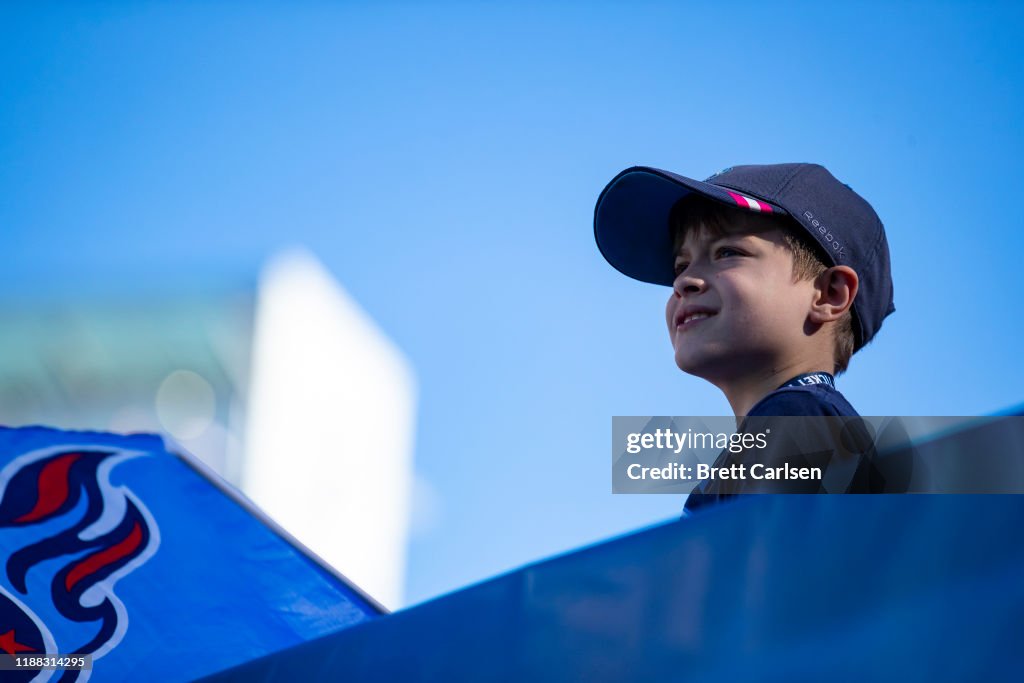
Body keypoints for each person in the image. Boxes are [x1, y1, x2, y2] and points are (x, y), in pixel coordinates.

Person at [593, 163, 897, 512]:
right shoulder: (790, 426)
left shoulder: (797, 418)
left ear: (828, 294)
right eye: (681, 265)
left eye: (727, 253)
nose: (683, 282)